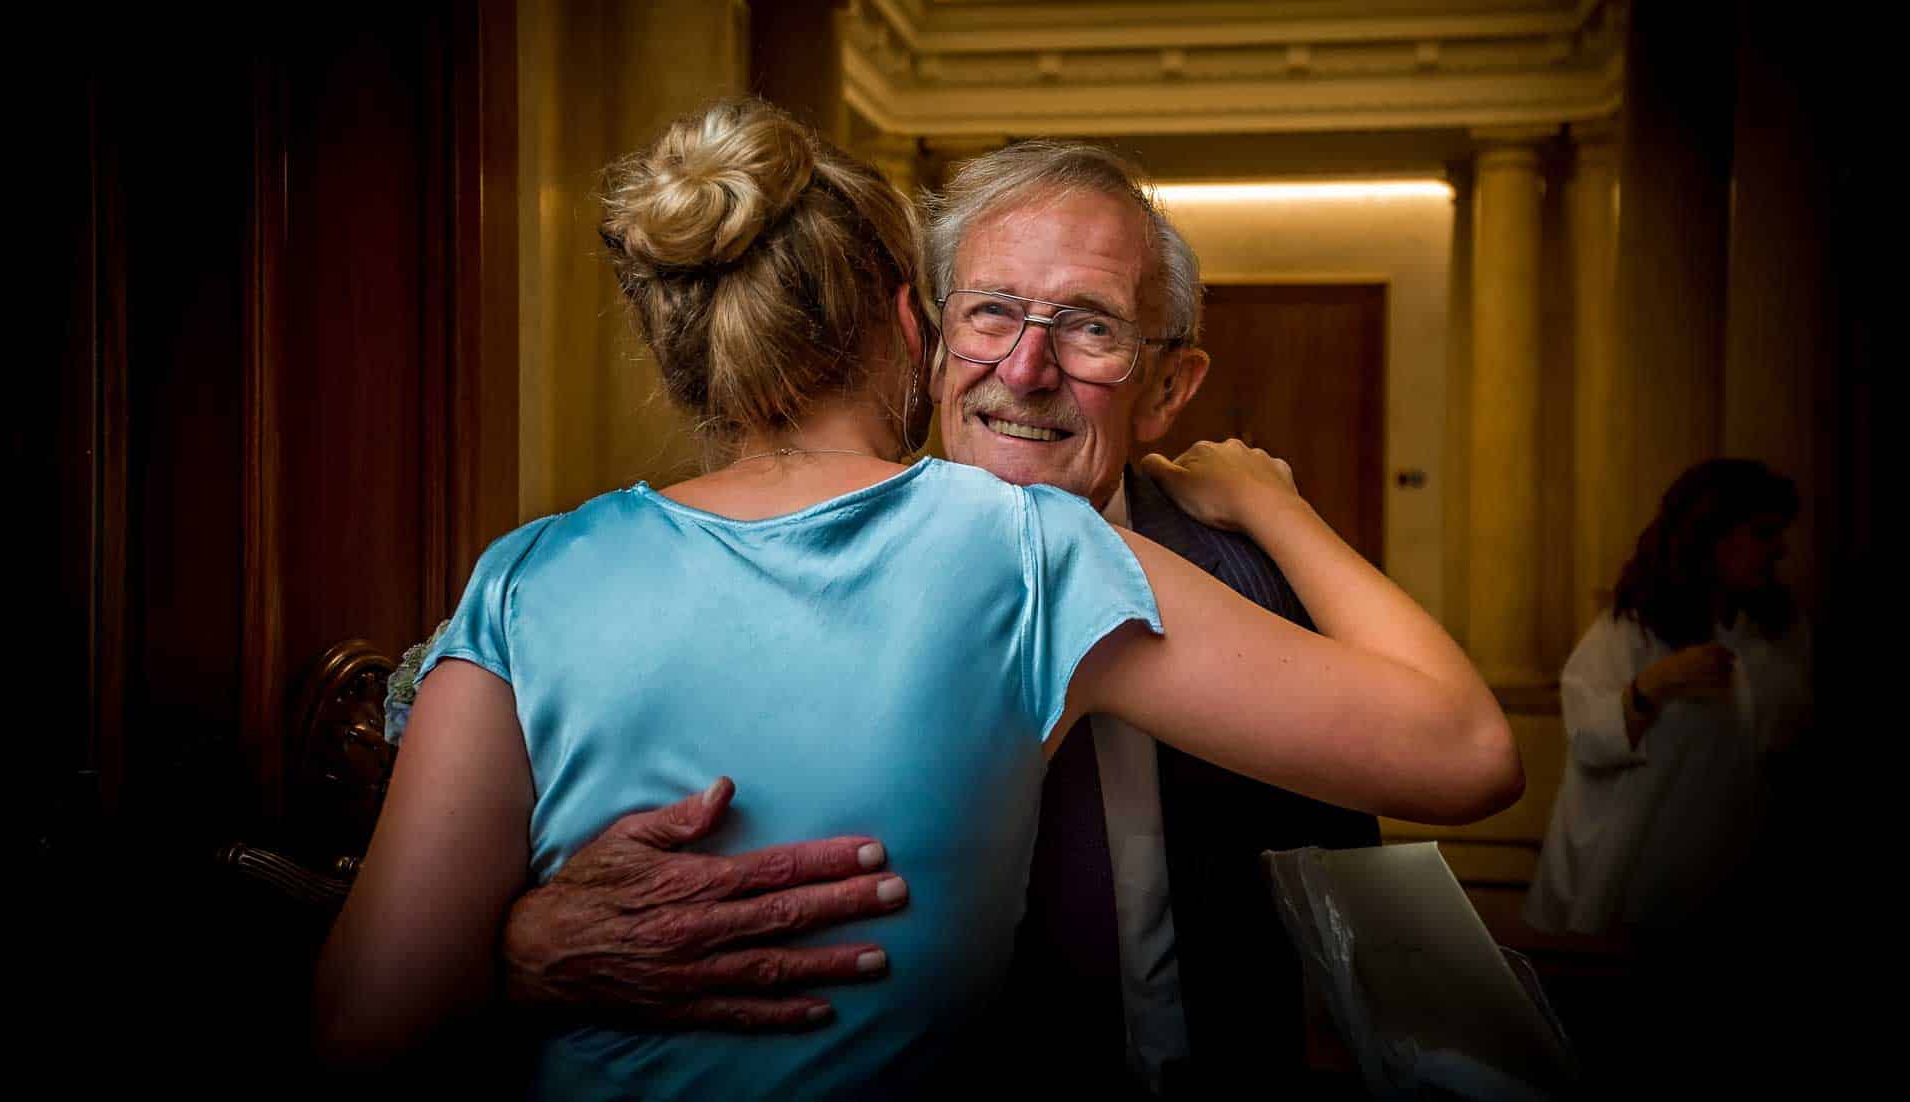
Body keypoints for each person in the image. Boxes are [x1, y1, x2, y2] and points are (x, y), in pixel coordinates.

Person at [316, 99, 1521, 1098]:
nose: (1026, 366)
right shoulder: (1022, 556)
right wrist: (520, 948)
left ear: (1169, 384)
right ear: (922, 330)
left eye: (1089, 326)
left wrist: (1267, 512)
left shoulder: (532, 571)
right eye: (990, 312)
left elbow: (363, 1022)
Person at [1524, 458, 1812, 938]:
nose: (1779, 550)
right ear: (1712, 537)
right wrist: (1655, 684)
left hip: (1730, 876)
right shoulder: (1631, 628)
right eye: (1762, 534)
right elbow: (1590, 740)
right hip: (1631, 874)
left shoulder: (1778, 631)